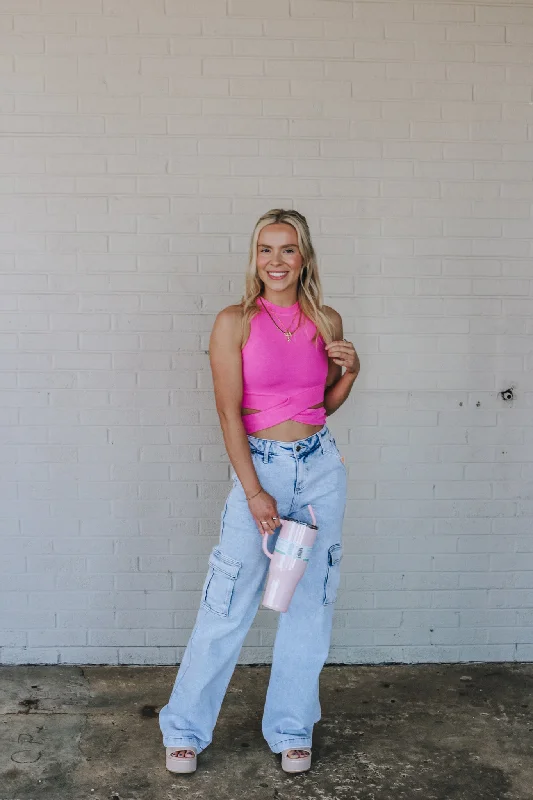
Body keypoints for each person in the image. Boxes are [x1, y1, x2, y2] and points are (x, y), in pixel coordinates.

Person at [158, 208, 360, 774]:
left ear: (304, 257)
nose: (276, 261)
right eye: (266, 250)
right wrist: (253, 493)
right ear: (255, 258)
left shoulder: (326, 319)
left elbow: (319, 405)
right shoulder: (234, 322)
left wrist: (350, 372)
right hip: (262, 469)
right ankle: (185, 730)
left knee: (310, 607)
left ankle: (292, 728)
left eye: (288, 249)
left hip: (320, 468)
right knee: (227, 603)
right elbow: (228, 412)